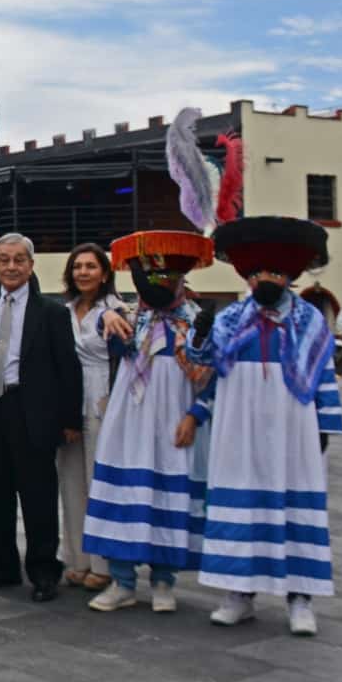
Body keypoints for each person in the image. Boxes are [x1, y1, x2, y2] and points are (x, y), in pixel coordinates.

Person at [193, 216, 342, 637]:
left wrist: (324, 423)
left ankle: (300, 598)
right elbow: (203, 362)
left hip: (293, 424)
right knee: (243, 502)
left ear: (289, 275)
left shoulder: (310, 319)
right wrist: (201, 334)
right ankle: (240, 593)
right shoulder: (231, 317)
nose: (266, 278)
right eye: (258, 271)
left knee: (294, 502)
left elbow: (323, 373)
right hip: (239, 424)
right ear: (248, 275)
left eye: (275, 271)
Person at [82, 231, 216, 614]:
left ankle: (163, 580)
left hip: (176, 420)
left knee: (168, 492)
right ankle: (122, 581)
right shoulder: (128, 316)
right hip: (129, 419)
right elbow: (105, 333)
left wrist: (195, 415)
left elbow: (211, 375)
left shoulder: (195, 320)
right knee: (125, 491)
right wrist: (106, 315)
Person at [0, 233, 84, 603]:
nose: (11, 267)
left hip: (31, 412)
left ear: (31, 265)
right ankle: (4, 567)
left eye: (19, 260)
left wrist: (69, 419)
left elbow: (67, 367)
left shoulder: (52, 312)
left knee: (37, 497)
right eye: (4, 260)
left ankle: (43, 572)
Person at [56, 243, 122, 591]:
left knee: (100, 482)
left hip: (102, 399)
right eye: (77, 266)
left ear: (105, 273)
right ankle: (77, 558)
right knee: (70, 483)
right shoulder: (63, 310)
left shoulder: (116, 309)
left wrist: (113, 313)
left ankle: (105, 563)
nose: (83, 272)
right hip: (68, 400)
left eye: (91, 266)